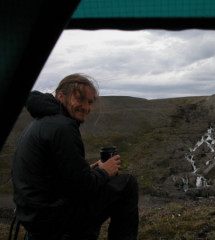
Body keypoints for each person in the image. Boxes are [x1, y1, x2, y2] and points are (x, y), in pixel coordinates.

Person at [12, 73, 139, 240]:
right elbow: (83, 187)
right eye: (80, 99)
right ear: (61, 97)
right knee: (127, 183)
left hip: (36, 219)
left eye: (89, 102)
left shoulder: (39, 124)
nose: (86, 107)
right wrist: (105, 172)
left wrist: (90, 170)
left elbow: (59, 177)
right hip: (54, 223)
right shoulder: (63, 126)